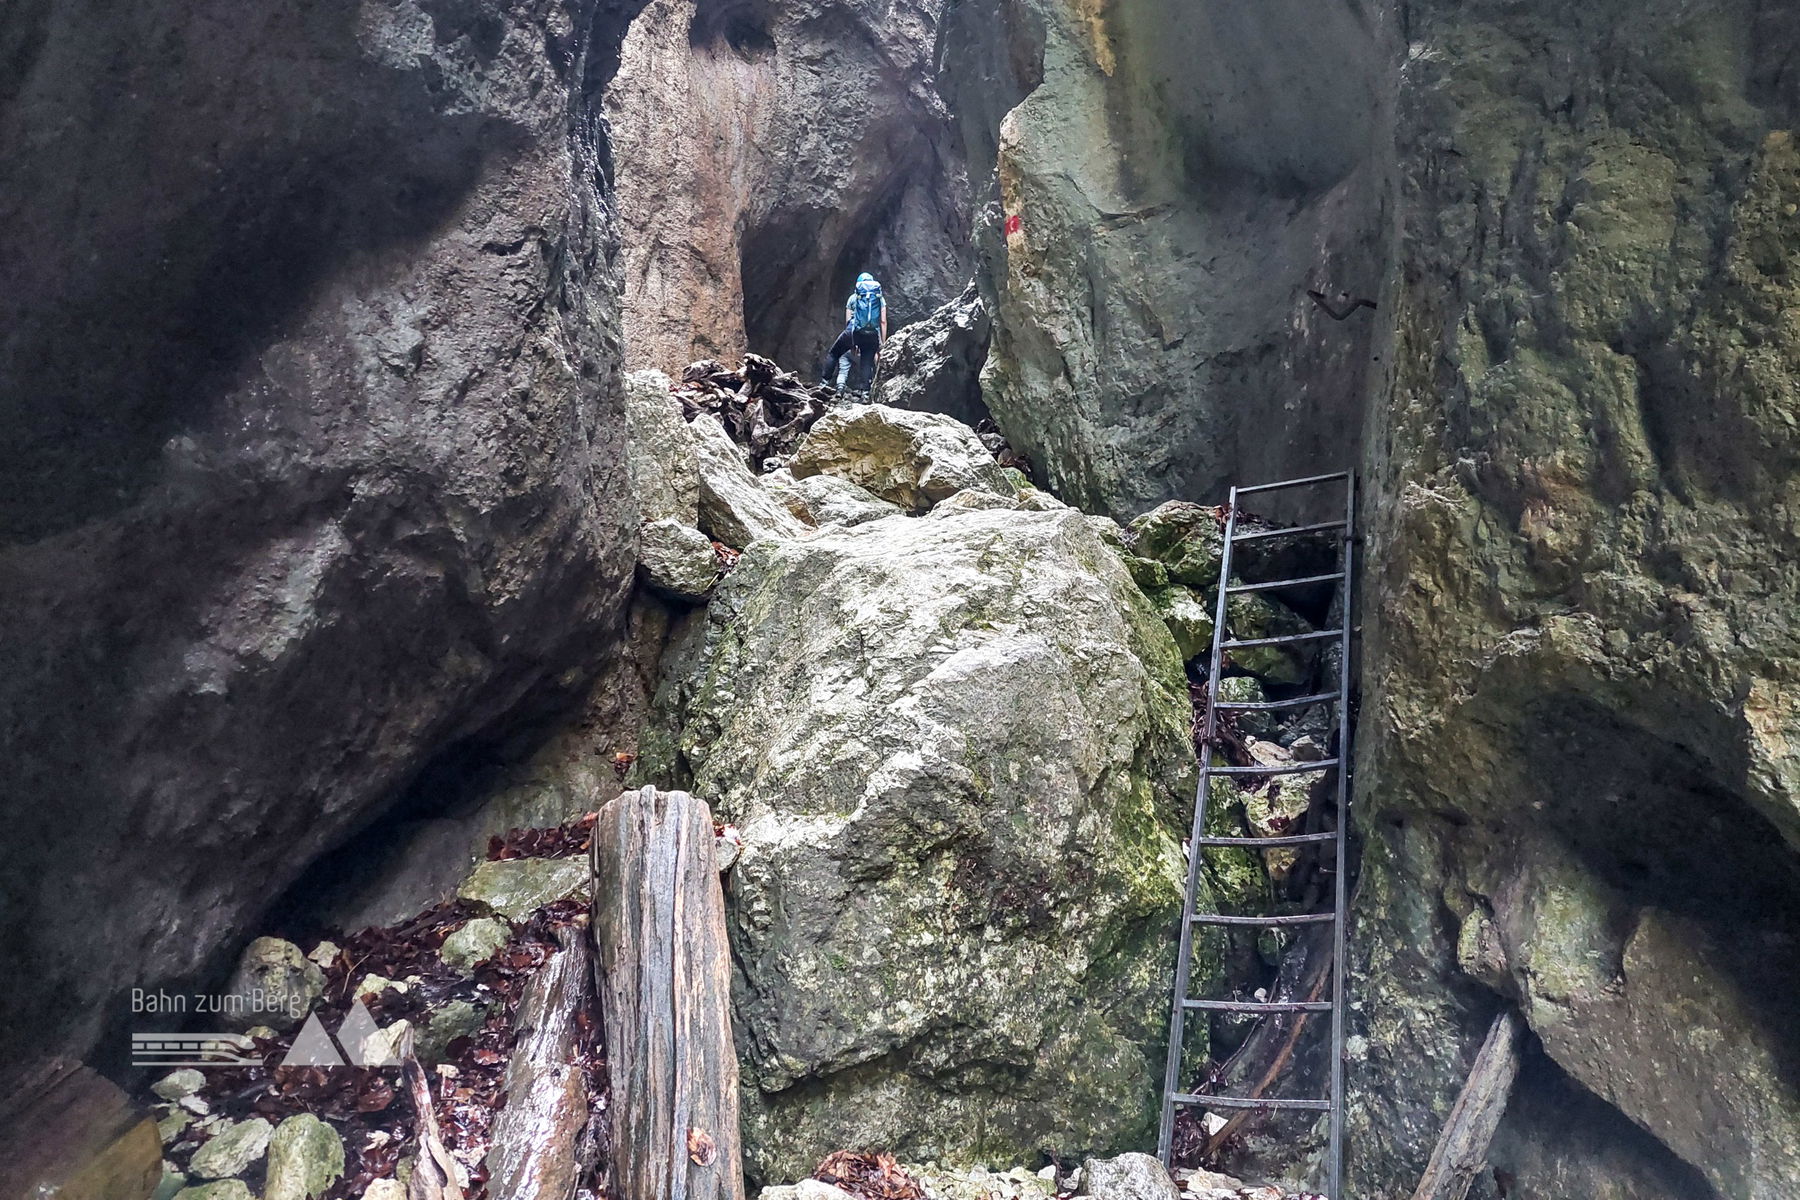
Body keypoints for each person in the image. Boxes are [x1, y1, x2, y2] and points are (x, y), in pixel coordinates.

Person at [820, 272, 887, 393]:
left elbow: (848, 321)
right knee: (866, 362)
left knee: (834, 354)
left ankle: (823, 383)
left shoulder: (853, 297)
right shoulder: (879, 298)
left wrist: (853, 342)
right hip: (872, 334)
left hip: (853, 332)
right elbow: (883, 321)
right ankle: (865, 393)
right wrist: (882, 343)